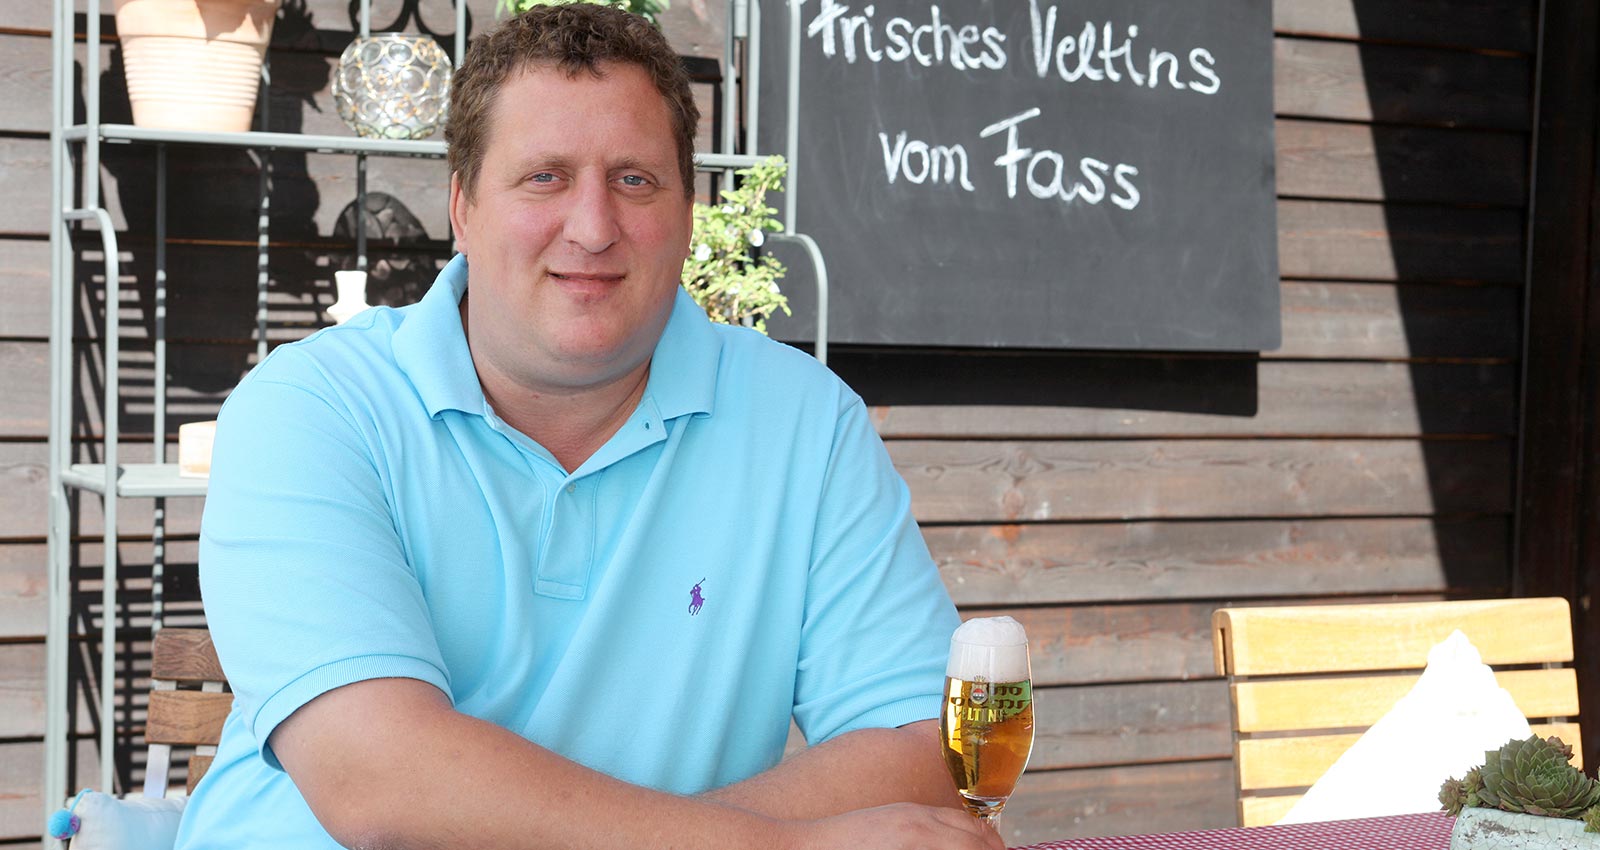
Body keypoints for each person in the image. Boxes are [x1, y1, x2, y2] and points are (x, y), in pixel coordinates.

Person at [174, 5, 1003, 849]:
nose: (594, 227)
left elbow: (930, 749)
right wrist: (779, 847)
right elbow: (382, 781)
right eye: (545, 177)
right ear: (463, 208)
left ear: (688, 213)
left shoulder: (805, 423)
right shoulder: (314, 407)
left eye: (635, 180)